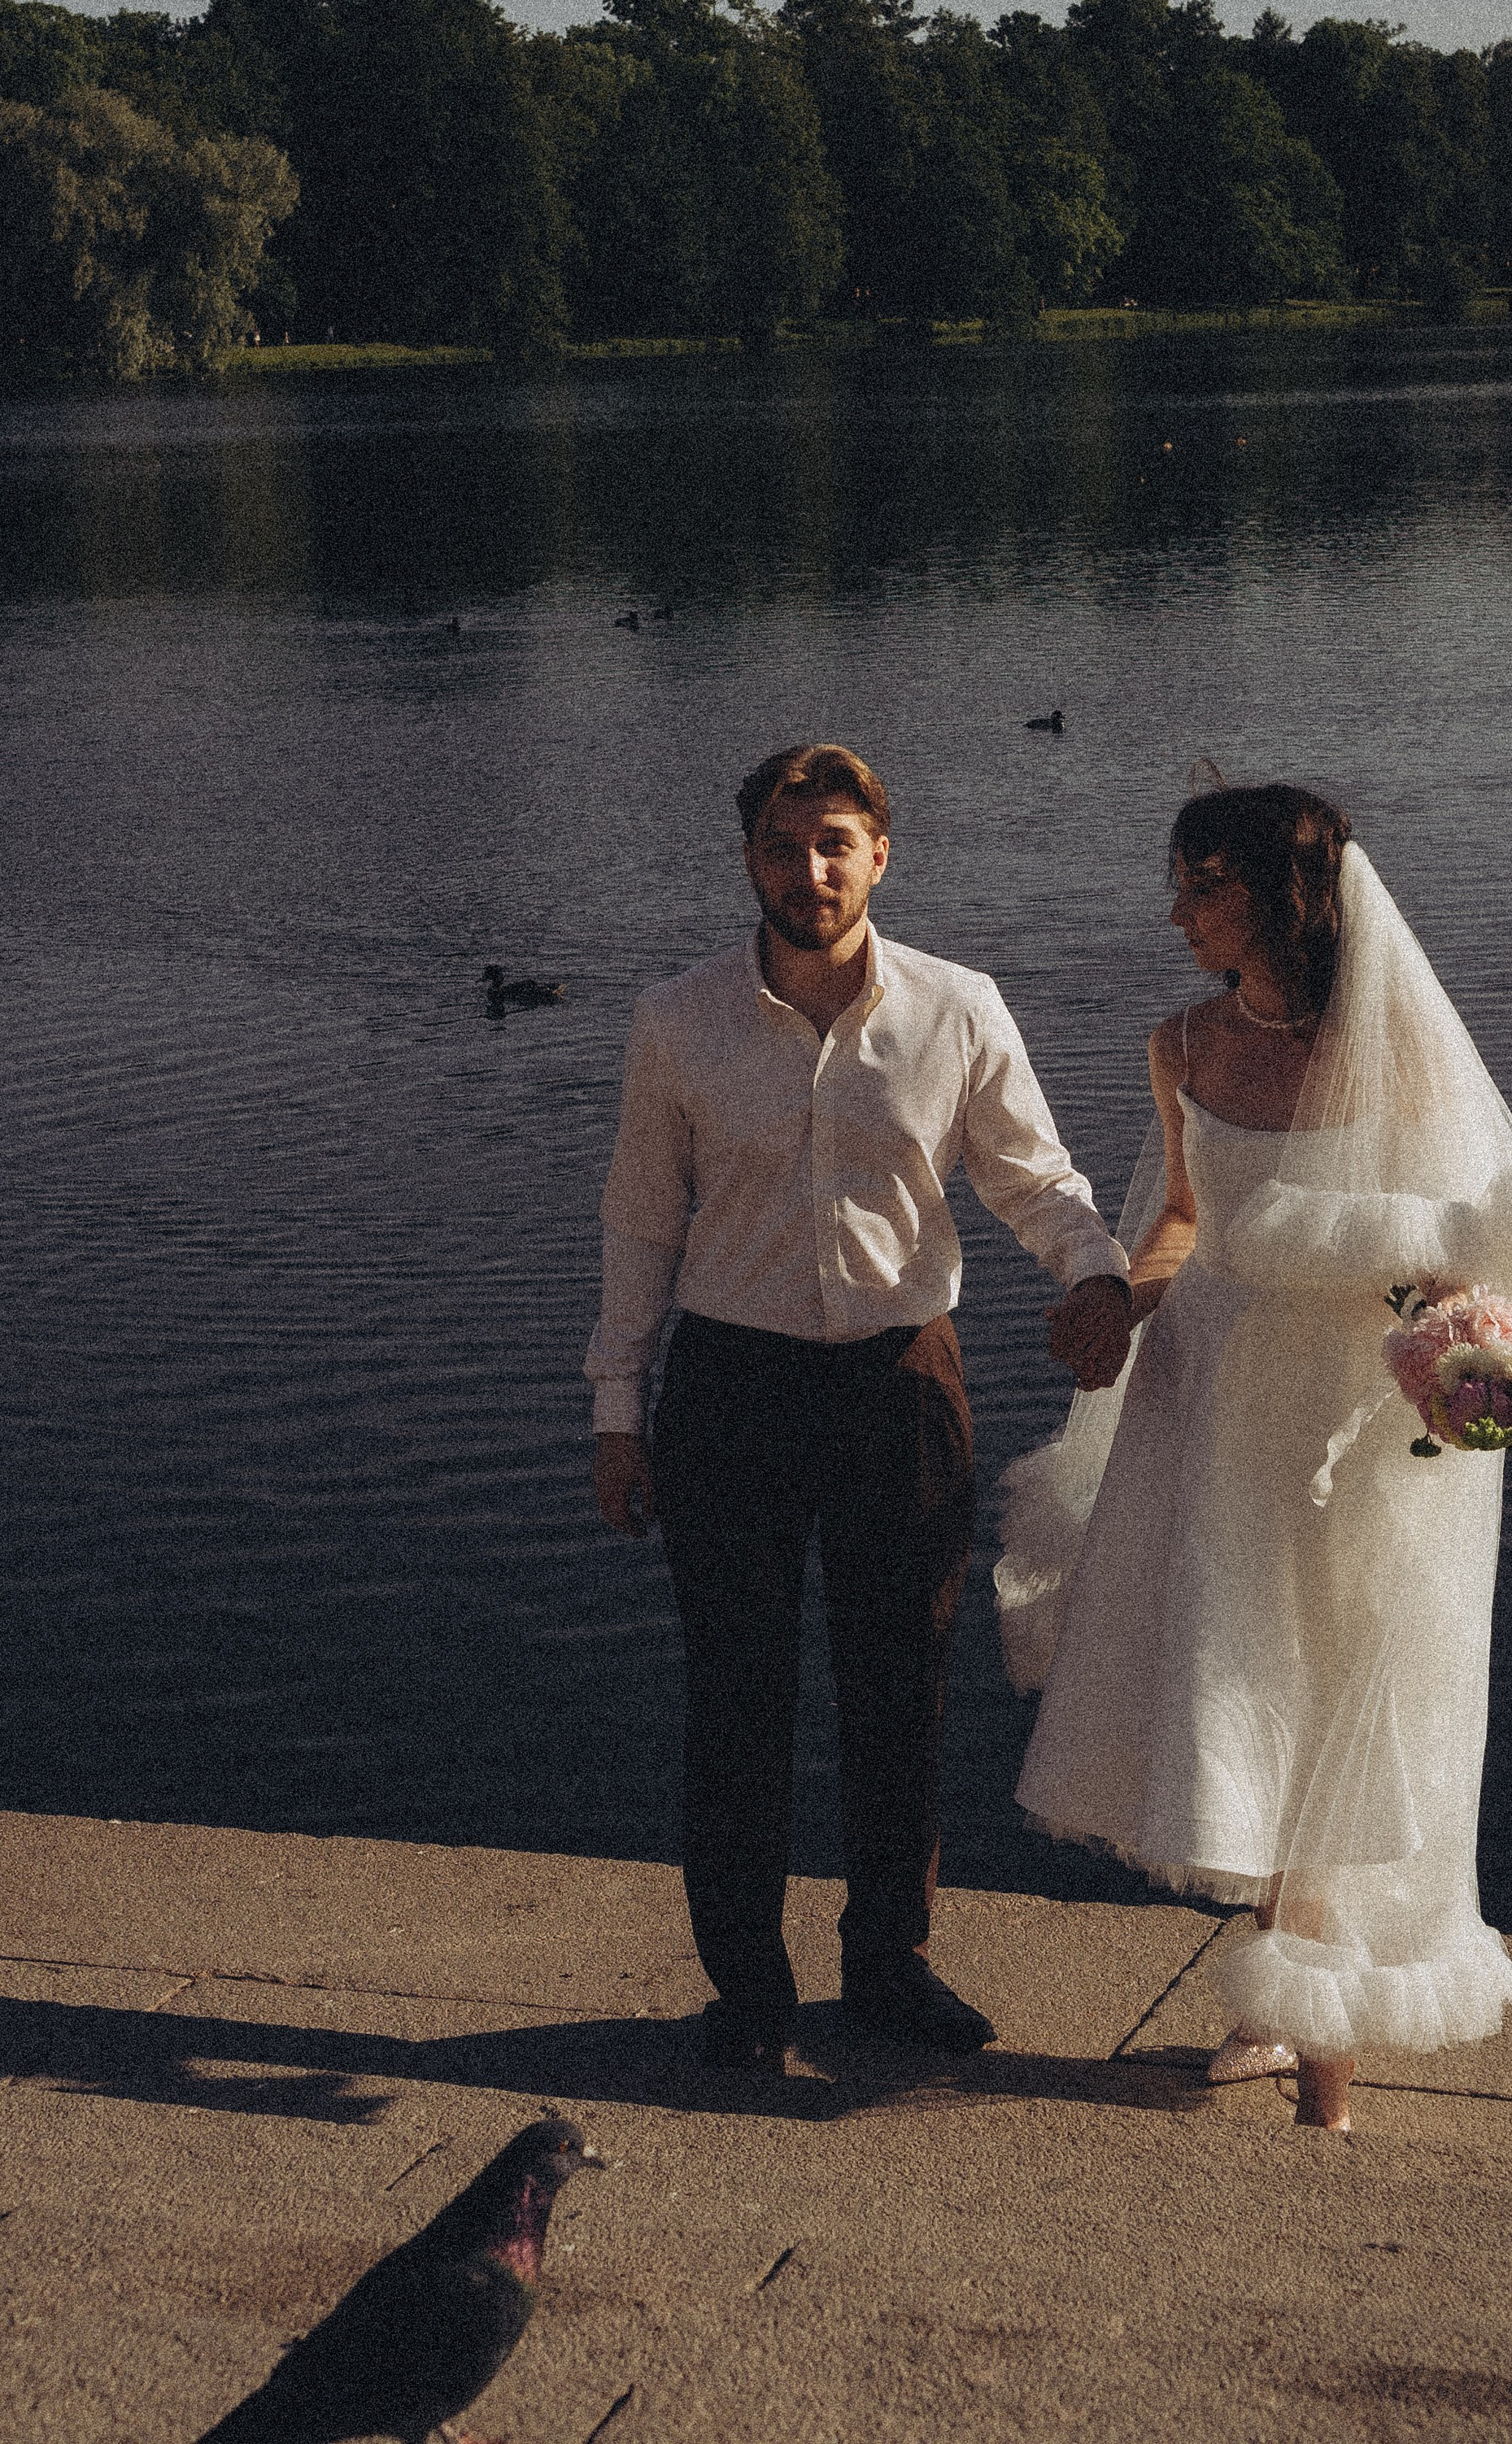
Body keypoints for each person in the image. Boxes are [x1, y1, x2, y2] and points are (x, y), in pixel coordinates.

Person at [1001, 783, 1512, 2132]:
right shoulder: (1176, 1042)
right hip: (1211, 1393)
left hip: (1346, 1412)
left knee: (1338, 1677)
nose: (1175, 910)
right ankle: (1282, 2014)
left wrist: (1475, 1369)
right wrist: (1119, 1300)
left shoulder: (1397, 1056)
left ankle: (1314, 2041)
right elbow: (1179, 1219)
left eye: (1201, 884)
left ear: (1285, 899)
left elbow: (1455, 1258)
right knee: (1240, 1669)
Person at [589, 742, 1133, 2074]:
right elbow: (640, 1223)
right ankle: (748, 1995)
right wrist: (618, 1400)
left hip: (902, 1387)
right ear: (749, 861)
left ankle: (889, 1967)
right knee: (738, 1703)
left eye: (836, 843)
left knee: (903, 1698)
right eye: (785, 845)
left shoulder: (958, 1009)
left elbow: (1034, 1177)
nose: (811, 869)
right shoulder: (679, 1021)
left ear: (881, 855)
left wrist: (1104, 1276)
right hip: (730, 1389)